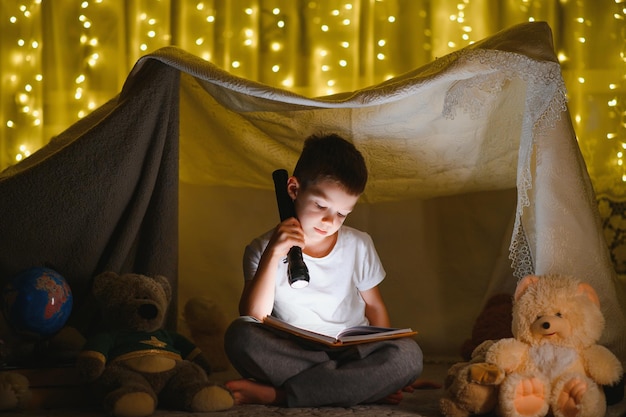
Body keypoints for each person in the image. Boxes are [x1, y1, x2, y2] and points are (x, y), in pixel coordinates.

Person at [224, 133, 424, 407]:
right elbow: (254, 315)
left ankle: (281, 396)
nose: (330, 220)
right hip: (297, 352)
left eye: (342, 213)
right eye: (321, 205)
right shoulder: (261, 248)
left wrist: (381, 352)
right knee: (240, 335)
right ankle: (352, 386)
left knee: (409, 356)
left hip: (352, 353)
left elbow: (375, 307)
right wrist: (274, 254)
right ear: (293, 189)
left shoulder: (359, 244)